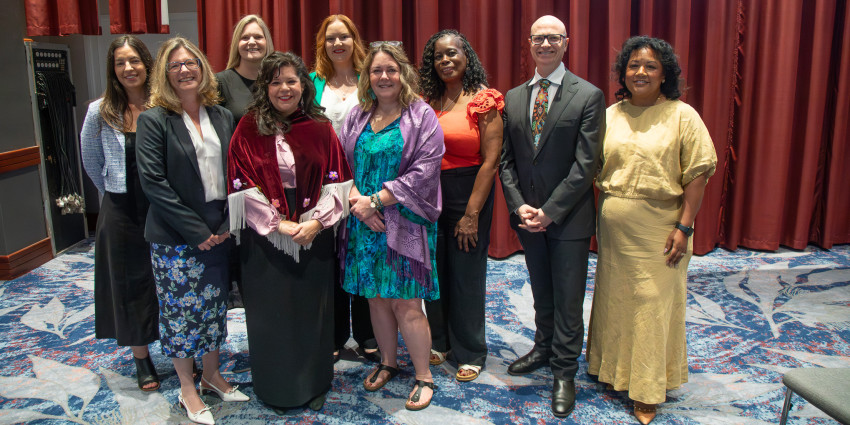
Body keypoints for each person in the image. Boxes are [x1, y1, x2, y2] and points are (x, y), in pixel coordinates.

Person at [586, 36, 717, 425]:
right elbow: (590, 167)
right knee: (614, 299)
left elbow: (697, 173)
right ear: (623, 73)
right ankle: (611, 370)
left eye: (650, 67)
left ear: (665, 75)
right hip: (613, 226)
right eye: (633, 66)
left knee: (651, 305)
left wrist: (685, 226)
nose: (640, 72)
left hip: (661, 229)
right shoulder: (610, 115)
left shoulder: (682, 115)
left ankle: (646, 389)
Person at [227, 51, 353, 412]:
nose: (284, 88)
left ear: (304, 85)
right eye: (275, 81)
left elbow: (338, 179)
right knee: (272, 313)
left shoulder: (320, 125)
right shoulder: (248, 127)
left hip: (314, 230)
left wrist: (316, 222)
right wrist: (276, 224)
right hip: (264, 236)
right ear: (264, 87)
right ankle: (275, 385)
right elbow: (240, 182)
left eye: (291, 81)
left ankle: (314, 382)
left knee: (311, 310)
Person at [499, 15, 605, 418]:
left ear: (566, 43)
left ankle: (565, 371)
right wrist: (518, 204)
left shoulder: (588, 95)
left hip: (569, 219)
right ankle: (543, 347)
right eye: (538, 38)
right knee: (541, 288)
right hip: (528, 217)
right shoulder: (512, 97)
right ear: (529, 44)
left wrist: (550, 211)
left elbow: (586, 165)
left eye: (553, 38)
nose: (545, 44)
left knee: (568, 298)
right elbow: (506, 161)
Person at [137, 36, 246, 425]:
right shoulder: (153, 120)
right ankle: (187, 387)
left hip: (219, 230)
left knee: (215, 309)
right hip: (175, 237)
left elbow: (235, 173)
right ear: (165, 74)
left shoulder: (221, 115)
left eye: (191, 63)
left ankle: (213, 374)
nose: (185, 70)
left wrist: (222, 224)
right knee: (182, 314)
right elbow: (153, 183)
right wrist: (195, 229)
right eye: (175, 65)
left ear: (203, 68)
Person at [339, 42, 444, 411]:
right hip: (364, 224)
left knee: (406, 304)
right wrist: (359, 205)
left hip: (405, 224)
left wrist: (375, 201)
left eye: (391, 70)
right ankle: (388, 361)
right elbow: (342, 166)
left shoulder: (421, 115)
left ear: (404, 75)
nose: (384, 77)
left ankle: (423, 376)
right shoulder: (356, 115)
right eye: (376, 71)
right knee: (376, 298)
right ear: (367, 77)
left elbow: (426, 170)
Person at [419, 29, 503, 382]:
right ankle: (439, 340)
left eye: (452, 53)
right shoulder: (426, 101)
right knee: (435, 269)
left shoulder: (483, 100)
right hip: (429, 194)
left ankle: (470, 350)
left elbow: (491, 160)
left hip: (470, 191)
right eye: (438, 56)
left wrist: (472, 214)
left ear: (467, 57)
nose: (446, 60)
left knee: (466, 272)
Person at [80, 35, 160, 392]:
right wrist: (113, 190)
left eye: (135, 61)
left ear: (147, 64)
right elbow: (92, 162)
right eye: (120, 63)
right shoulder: (100, 111)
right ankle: (141, 358)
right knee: (130, 285)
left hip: (162, 209)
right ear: (113, 70)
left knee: (166, 282)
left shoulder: (163, 105)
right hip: (121, 210)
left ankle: (178, 351)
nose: (129, 69)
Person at [308, 14, 378, 364]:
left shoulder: (372, 79)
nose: (338, 44)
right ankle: (335, 333)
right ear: (323, 44)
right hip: (323, 186)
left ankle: (367, 333)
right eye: (330, 38)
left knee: (363, 256)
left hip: (366, 185)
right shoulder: (311, 82)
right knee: (329, 261)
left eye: (344, 37)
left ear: (355, 41)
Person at [216, 14, 273, 123]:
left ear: (267, 42)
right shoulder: (220, 82)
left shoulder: (277, 80)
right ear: (236, 44)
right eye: (245, 37)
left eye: (258, 37)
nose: (251, 42)